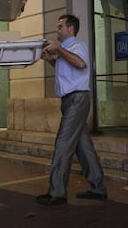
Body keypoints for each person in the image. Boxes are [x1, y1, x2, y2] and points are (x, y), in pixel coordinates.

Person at [37, 14, 107, 205]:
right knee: (83, 146)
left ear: (71, 29)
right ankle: (98, 188)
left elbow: (81, 64)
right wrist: (51, 59)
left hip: (77, 100)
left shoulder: (77, 47)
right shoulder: (66, 50)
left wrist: (58, 48)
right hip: (70, 101)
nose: (57, 30)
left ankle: (57, 193)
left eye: (60, 27)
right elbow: (67, 69)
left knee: (63, 143)